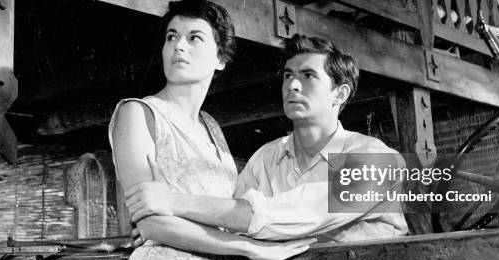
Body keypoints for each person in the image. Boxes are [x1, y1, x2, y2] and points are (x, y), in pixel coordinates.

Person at [109, 0, 314, 260]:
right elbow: (151, 223)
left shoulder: (213, 128)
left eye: (195, 38)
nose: (179, 47)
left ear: (220, 58)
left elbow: (222, 213)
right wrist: (245, 247)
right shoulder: (138, 113)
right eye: (171, 37)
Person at [127, 34, 408, 244]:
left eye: (308, 75)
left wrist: (175, 203)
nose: (293, 85)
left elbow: (290, 213)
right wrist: (163, 226)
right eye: (288, 76)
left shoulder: (377, 159)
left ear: (340, 94)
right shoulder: (265, 158)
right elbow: (226, 223)